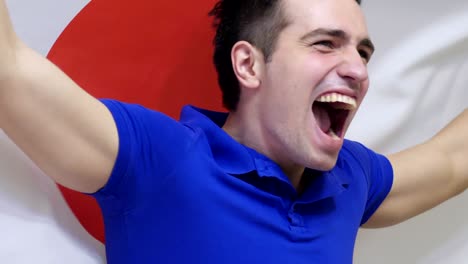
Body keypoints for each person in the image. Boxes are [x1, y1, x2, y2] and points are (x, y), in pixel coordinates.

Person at [0, 0, 466, 263]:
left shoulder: (351, 177)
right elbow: (10, 72)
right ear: (248, 64)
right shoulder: (163, 160)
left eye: (363, 53)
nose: (358, 71)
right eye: (325, 44)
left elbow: (451, 160)